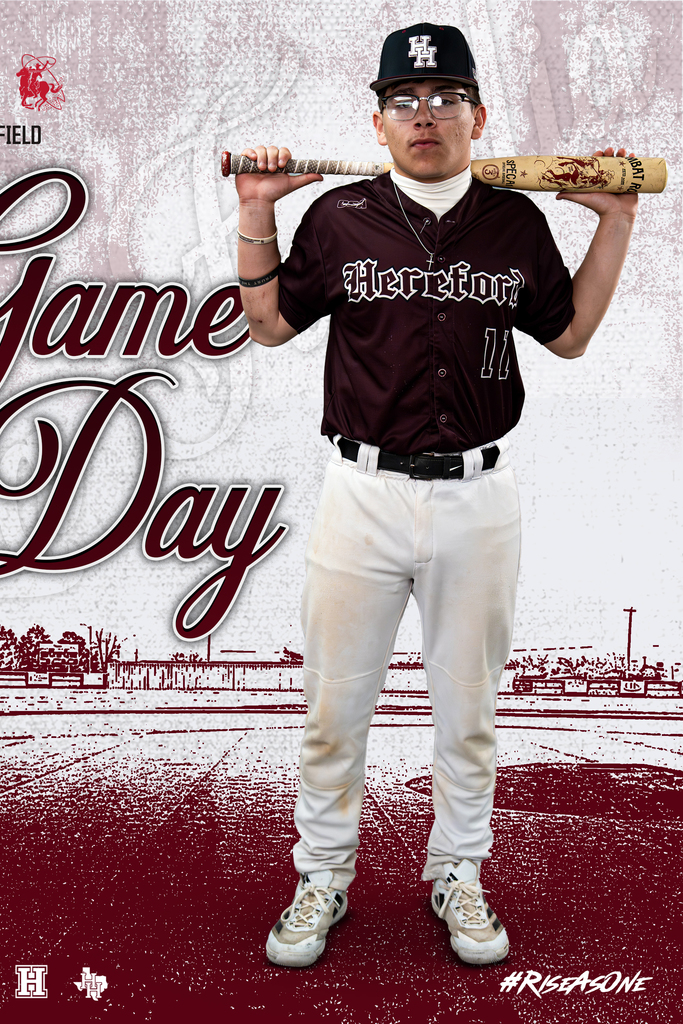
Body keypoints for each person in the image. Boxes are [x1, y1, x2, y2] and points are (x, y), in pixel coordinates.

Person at [235, 23, 637, 968]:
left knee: (469, 710)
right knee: (335, 706)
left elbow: (570, 335)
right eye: (405, 101)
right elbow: (265, 325)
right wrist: (258, 207)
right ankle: (323, 875)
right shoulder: (336, 217)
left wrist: (614, 220)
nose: (426, 115)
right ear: (377, 122)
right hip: (359, 491)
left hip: (477, 497)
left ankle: (457, 870)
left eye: (446, 97)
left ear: (477, 116)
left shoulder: (513, 220)